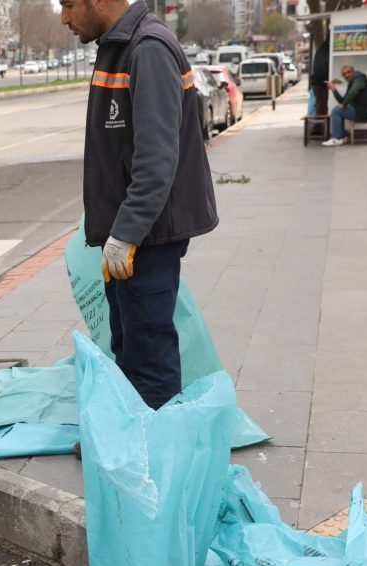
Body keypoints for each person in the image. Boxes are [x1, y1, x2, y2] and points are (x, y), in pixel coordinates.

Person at [60, 0, 217, 413]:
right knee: (129, 344)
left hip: (145, 237)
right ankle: (129, 437)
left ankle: (154, 451)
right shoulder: (121, 46)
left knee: (148, 351)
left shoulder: (147, 49)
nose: (64, 17)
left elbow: (155, 160)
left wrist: (126, 234)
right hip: (130, 237)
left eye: (68, 4)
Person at [322, 64, 367, 147]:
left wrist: (344, 104)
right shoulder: (352, 83)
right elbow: (343, 100)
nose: (346, 75)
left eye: (348, 72)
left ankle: (336, 138)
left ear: (353, 72)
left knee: (336, 111)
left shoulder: (359, 79)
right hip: (361, 110)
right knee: (339, 110)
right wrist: (334, 90)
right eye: (344, 74)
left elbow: (354, 91)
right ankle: (343, 136)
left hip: (365, 111)